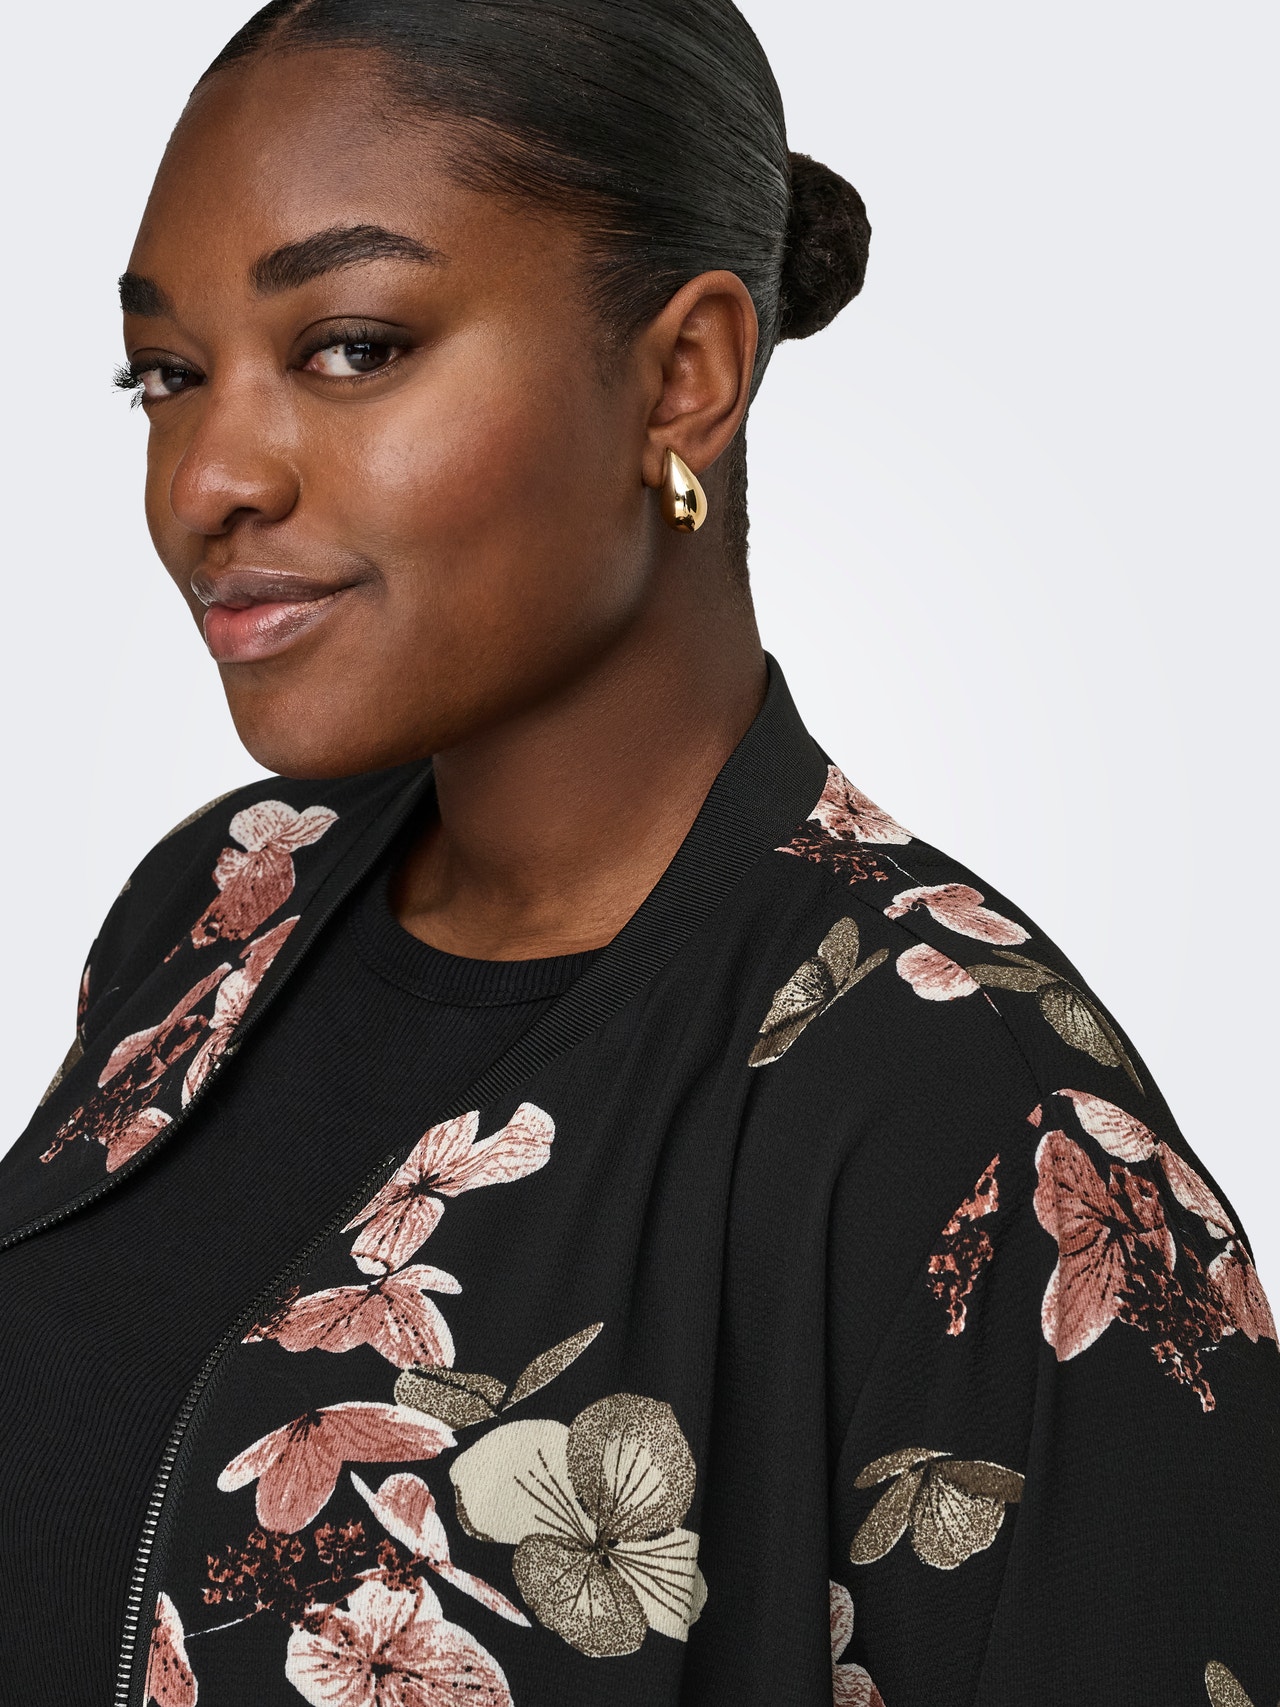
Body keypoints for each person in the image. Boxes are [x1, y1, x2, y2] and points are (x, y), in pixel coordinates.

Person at [1, 2, 1275, 1703]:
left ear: (684, 377)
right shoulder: (221, 903)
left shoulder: (993, 1129)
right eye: (166, 374)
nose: (204, 481)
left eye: (354, 347)